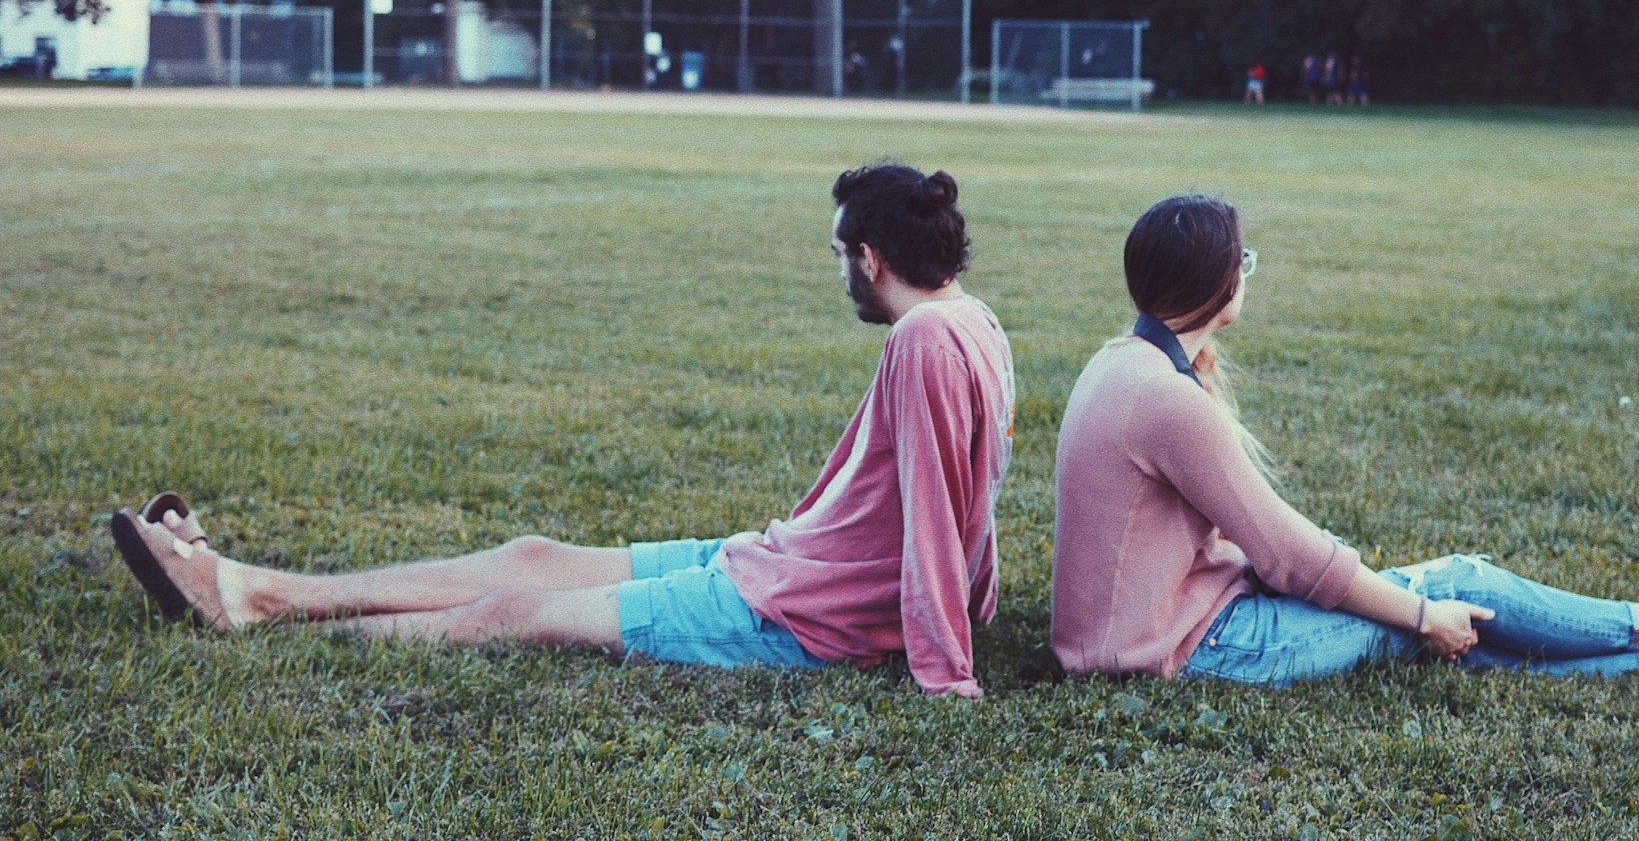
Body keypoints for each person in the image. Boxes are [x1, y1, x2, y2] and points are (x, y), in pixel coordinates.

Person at [112, 164, 1017, 699]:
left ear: (870, 258)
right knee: (533, 552)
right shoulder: (969, 320)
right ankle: (244, 588)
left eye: (839, 261)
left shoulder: (929, 341)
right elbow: (972, 500)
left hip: (807, 615)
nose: (841, 279)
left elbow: (941, 515)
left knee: (516, 613)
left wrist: (946, 671)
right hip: (781, 563)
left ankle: (257, 612)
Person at [1050, 194, 1639, 690]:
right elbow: (1292, 558)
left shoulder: (1124, 361)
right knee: (1458, 588)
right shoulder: (1168, 400)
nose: (1247, 275)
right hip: (1193, 652)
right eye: (1240, 263)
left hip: (1148, 636)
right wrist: (1416, 613)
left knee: (1454, 620)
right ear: (1214, 289)